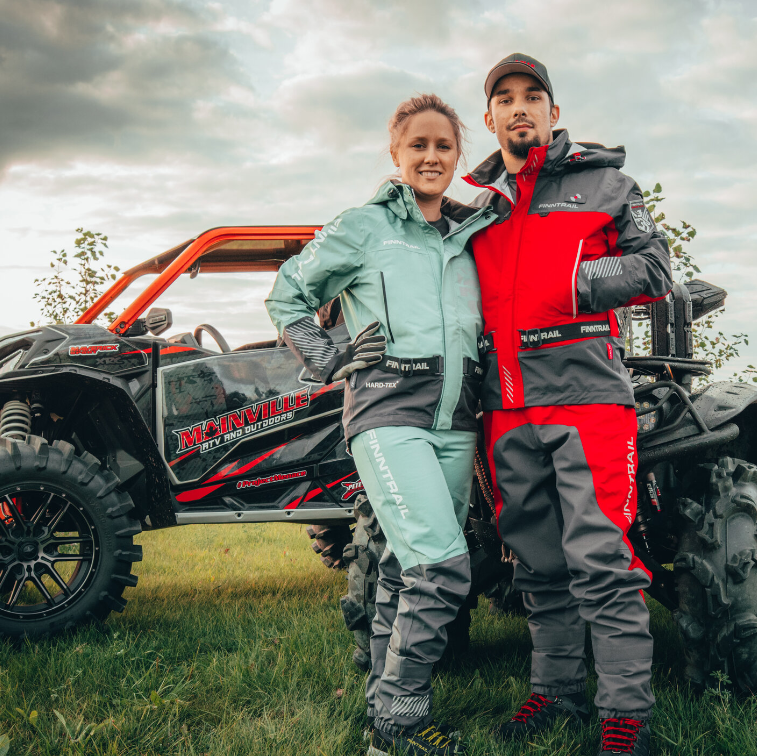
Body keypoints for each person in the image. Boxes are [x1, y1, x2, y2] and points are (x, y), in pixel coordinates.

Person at [266, 93, 496, 756]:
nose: (431, 156)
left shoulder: (467, 232)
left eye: (443, 146)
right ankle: (397, 726)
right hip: (389, 409)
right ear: (395, 154)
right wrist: (328, 355)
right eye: (418, 145)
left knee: (404, 563)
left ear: (457, 156)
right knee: (443, 567)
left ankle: (380, 700)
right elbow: (288, 292)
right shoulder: (364, 227)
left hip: (457, 418)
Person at [464, 54, 673, 756]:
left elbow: (655, 268)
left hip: (586, 397)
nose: (519, 108)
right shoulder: (471, 203)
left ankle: (626, 719)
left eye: (533, 97)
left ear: (554, 113)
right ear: (488, 118)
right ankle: (555, 696)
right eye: (504, 99)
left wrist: (574, 279)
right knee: (538, 564)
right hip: (505, 406)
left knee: (600, 558)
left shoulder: (607, 184)